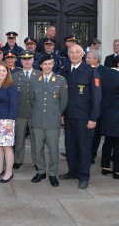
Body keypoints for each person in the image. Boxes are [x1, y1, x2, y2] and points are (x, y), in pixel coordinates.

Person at [59, 44, 101, 189]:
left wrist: (93, 118)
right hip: (69, 116)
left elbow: (96, 98)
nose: (74, 54)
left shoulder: (90, 71)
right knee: (70, 147)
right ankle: (73, 171)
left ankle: (83, 176)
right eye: (71, 52)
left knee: (84, 148)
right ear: (68, 54)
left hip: (85, 118)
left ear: (83, 53)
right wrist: (63, 114)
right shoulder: (64, 71)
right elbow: (64, 96)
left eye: (77, 52)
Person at [30, 55, 68, 187]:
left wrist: (57, 114)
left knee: (53, 148)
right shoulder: (34, 80)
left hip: (52, 120)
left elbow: (63, 101)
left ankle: (52, 173)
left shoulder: (60, 80)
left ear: (53, 65)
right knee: (38, 147)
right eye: (44, 64)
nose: (47, 66)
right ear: (40, 65)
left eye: (50, 64)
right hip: (38, 120)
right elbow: (32, 99)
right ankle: (41, 171)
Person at [11, 50, 41, 170]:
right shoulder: (15, 76)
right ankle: (18, 160)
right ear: (21, 61)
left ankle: (37, 161)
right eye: (24, 59)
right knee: (18, 139)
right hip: (20, 113)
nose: (27, 61)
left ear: (33, 60)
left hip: (35, 113)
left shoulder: (40, 75)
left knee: (36, 140)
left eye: (29, 59)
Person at [86, 50, 109, 164]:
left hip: (100, 107)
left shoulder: (106, 71)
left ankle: (91, 155)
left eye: (89, 58)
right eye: (87, 58)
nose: (87, 60)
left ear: (97, 59)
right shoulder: (84, 69)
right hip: (85, 107)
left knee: (96, 134)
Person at [100, 56, 119, 179]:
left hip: (105, 113)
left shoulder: (104, 74)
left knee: (108, 141)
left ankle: (105, 166)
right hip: (117, 114)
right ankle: (117, 170)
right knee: (118, 143)